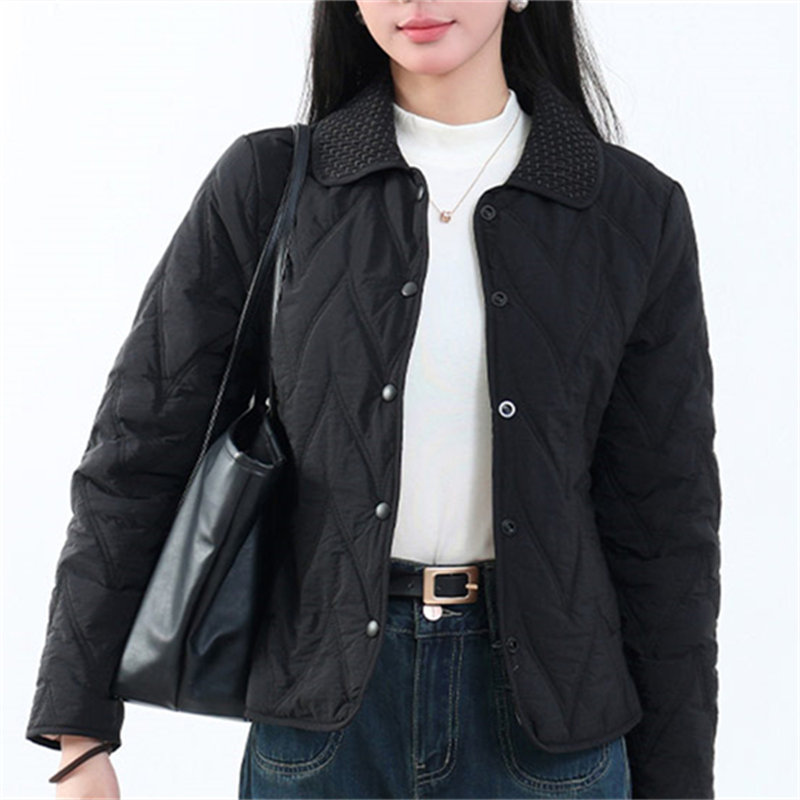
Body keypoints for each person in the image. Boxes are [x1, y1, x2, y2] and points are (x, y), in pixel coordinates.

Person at [26, 1, 722, 798]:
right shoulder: (270, 184)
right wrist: (79, 736)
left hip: (553, 739)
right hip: (321, 730)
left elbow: (664, 525)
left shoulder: (628, 209)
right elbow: (139, 454)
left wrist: (678, 783)